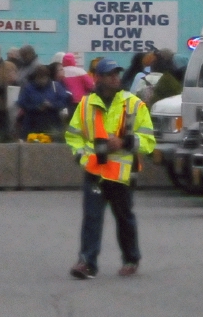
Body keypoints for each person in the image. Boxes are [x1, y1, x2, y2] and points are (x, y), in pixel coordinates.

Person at [64, 59, 156, 279]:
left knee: (124, 217)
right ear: (98, 78)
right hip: (95, 171)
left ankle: (131, 258)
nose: (115, 78)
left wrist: (123, 142)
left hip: (122, 174)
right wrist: (81, 158)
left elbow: (148, 141)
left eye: (116, 74)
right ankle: (86, 262)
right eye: (109, 74)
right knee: (92, 217)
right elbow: (73, 137)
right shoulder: (86, 104)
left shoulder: (134, 104)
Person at [16, 64, 74, 138]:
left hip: (53, 124)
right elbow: (21, 102)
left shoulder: (56, 86)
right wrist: (36, 107)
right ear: (36, 77)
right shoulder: (28, 87)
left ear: (48, 77)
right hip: (32, 124)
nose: (42, 81)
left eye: (44, 78)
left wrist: (51, 105)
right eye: (39, 78)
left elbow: (64, 101)